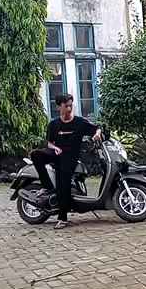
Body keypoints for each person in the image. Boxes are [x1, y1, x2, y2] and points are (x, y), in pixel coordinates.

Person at [30, 93, 102, 230]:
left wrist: (97, 134)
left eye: (70, 106)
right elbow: (49, 143)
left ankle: (62, 218)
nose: (69, 109)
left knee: (63, 183)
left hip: (71, 156)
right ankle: (46, 185)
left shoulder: (79, 122)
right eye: (65, 106)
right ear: (58, 107)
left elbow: (96, 128)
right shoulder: (53, 124)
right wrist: (55, 148)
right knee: (35, 154)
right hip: (57, 152)